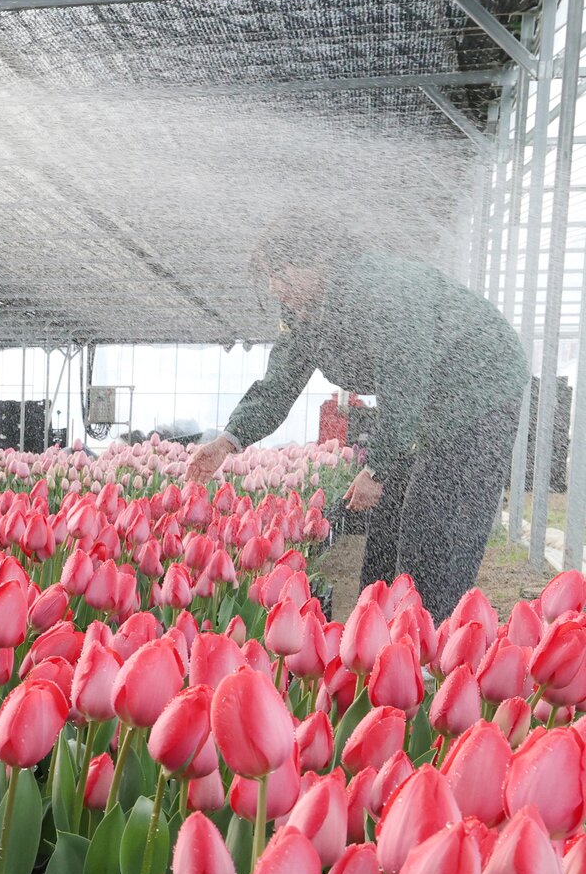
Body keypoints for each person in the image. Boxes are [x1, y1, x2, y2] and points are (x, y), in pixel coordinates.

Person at [185, 217, 528, 620]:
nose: (276, 287)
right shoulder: (306, 308)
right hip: (427, 399)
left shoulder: (380, 291)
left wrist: (378, 468)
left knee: (434, 523)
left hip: (480, 386)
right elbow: (280, 381)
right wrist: (228, 440)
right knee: (387, 522)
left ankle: (428, 641)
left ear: (318, 261)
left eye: (280, 274)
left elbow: (404, 379)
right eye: (270, 278)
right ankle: (375, 627)